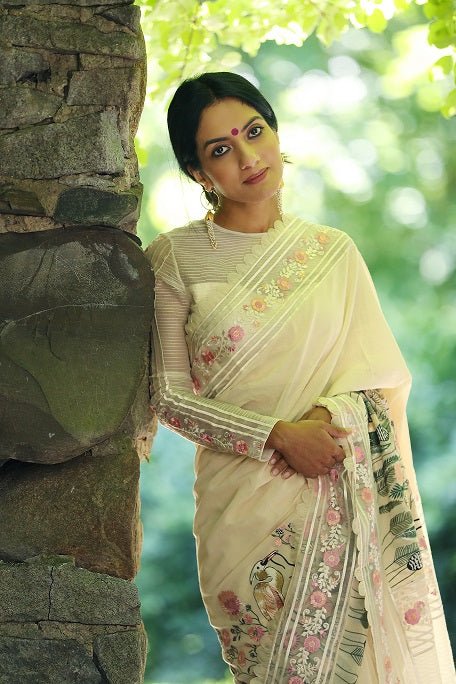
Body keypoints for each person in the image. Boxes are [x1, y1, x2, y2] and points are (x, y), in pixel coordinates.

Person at [145, 72, 455, 683]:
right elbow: (169, 396)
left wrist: (330, 418)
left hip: (336, 480)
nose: (247, 157)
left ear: (275, 131)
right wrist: (277, 435)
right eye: (220, 149)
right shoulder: (174, 259)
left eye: (254, 131)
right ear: (198, 172)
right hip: (244, 512)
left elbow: (377, 377)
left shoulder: (332, 254)